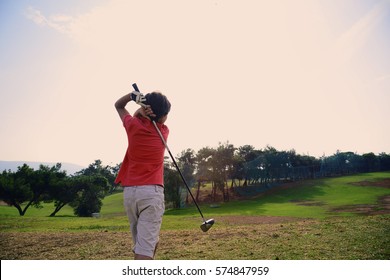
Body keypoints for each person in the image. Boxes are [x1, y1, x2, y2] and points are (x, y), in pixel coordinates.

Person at [114, 89, 171, 260]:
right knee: (144, 251)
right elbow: (147, 119)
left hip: (130, 194)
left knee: (144, 244)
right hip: (150, 194)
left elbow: (118, 105)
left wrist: (133, 98)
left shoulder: (133, 125)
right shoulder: (163, 132)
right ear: (162, 117)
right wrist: (142, 111)